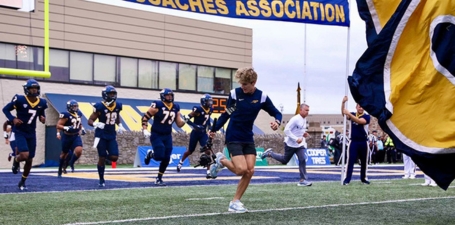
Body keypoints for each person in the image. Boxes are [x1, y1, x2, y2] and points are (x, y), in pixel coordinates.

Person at [208, 67, 282, 213]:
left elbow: (276, 112)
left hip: (247, 136)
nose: (242, 87)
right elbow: (226, 114)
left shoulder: (262, 97)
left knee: (250, 171)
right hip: (233, 135)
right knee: (241, 170)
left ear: (253, 82)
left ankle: (235, 202)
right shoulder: (235, 94)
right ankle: (221, 160)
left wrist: (277, 122)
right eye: (241, 84)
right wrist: (214, 128)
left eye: (245, 85)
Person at [2, 79, 48, 190]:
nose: (34, 90)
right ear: (27, 89)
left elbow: (42, 115)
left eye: (36, 88)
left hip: (31, 132)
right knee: (24, 155)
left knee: (29, 159)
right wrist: (13, 119)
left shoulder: (42, 102)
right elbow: (6, 109)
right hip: (20, 131)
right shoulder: (19, 99)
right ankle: (16, 160)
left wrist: (42, 118)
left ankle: (22, 181)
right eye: (32, 88)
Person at [142, 88, 186, 186]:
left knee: (166, 158)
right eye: (167, 95)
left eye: (171, 95)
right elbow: (145, 117)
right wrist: (144, 129)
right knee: (159, 156)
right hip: (156, 134)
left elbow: (179, 124)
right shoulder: (157, 105)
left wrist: (185, 120)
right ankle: (150, 154)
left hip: (167, 135)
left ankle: (159, 178)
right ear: (163, 96)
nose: (169, 97)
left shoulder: (176, 107)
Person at [261, 103, 311, 186]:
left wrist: (304, 134)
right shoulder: (295, 119)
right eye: (306, 110)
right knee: (284, 160)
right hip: (290, 144)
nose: (307, 112)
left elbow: (299, 130)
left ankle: (303, 180)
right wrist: (296, 139)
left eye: (308, 111)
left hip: (299, 145)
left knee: (302, 159)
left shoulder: (304, 119)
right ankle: (269, 153)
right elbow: (286, 130)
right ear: (300, 110)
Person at [88, 85, 125, 187]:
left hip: (111, 134)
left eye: (113, 94)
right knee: (102, 157)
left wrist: (120, 125)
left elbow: (116, 115)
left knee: (114, 157)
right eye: (110, 94)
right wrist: (95, 124)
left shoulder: (118, 105)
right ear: (105, 95)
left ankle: (104, 160)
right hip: (101, 135)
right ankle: (101, 179)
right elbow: (90, 120)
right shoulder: (99, 106)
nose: (112, 96)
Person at [177, 94, 213, 178]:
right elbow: (186, 118)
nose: (210, 103)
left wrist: (210, 128)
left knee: (207, 150)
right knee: (190, 151)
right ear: (204, 102)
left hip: (203, 133)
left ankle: (208, 171)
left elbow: (207, 120)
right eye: (208, 101)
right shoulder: (198, 109)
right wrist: (195, 125)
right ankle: (180, 162)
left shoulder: (210, 109)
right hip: (195, 133)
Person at [341, 96, 370, 185]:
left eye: (362, 106)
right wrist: (343, 103)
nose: (360, 108)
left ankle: (364, 178)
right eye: (359, 106)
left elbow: (360, 121)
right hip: (353, 141)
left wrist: (349, 114)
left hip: (363, 141)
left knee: (364, 161)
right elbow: (343, 113)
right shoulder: (352, 114)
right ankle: (347, 179)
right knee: (350, 160)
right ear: (356, 107)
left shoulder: (367, 116)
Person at [56, 99, 86, 177]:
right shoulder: (65, 115)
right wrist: (66, 128)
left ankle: (71, 163)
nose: (75, 108)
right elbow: (58, 125)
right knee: (64, 154)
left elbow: (79, 123)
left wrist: (82, 129)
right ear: (69, 107)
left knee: (79, 150)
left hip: (76, 135)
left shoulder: (79, 113)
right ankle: (60, 168)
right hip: (67, 136)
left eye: (76, 106)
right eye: (74, 106)